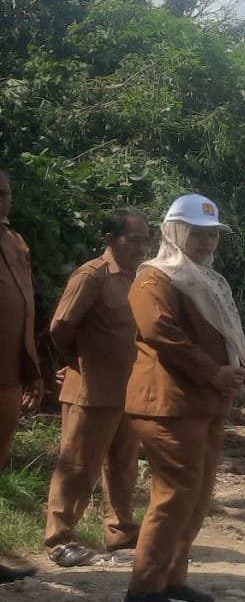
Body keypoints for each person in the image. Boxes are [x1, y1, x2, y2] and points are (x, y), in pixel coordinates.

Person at [120, 194, 245, 602]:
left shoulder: (203, 279)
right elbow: (160, 332)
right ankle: (142, 592)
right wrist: (212, 372)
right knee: (174, 495)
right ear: (174, 232)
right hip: (169, 405)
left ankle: (172, 579)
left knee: (196, 496)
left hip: (204, 404)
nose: (205, 241)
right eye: (196, 232)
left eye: (212, 234)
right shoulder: (155, 278)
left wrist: (227, 375)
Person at [43, 208, 151, 566]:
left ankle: (120, 532)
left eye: (144, 240)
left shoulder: (142, 278)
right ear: (110, 239)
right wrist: (77, 362)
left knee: (123, 464)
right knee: (77, 466)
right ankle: (59, 540)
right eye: (133, 239)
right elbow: (61, 325)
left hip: (129, 391)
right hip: (90, 389)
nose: (141, 246)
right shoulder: (92, 275)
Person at [0, 166, 42, 584]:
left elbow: (25, 310)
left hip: (9, 377)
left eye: (5, 192)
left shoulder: (15, 242)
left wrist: (32, 371)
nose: (2, 200)